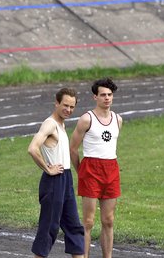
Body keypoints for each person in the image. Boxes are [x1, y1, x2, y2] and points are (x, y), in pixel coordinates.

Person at [28, 88, 85, 258]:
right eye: (65, 105)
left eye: (72, 107)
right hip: (54, 181)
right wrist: (48, 168)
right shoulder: (50, 124)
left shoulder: (61, 123)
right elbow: (32, 148)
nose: (68, 110)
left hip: (65, 179)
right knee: (49, 228)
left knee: (74, 226)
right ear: (57, 103)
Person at [70, 78, 123, 258]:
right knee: (88, 222)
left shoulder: (118, 119)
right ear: (95, 97)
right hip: (91, 169)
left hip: (111, 169)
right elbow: (73, 148)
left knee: (108, 220)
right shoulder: (87, 119)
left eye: (109, 95)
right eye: (103, 95)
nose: (106, 98)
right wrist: (81, 172)